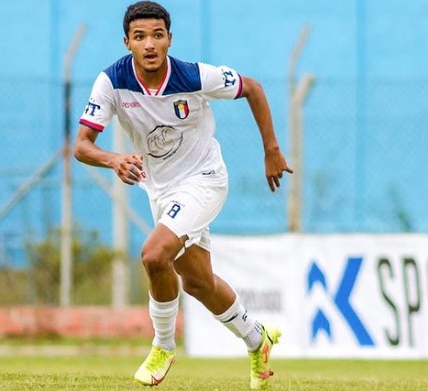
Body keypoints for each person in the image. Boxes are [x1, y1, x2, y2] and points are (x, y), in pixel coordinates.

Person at [74, 1, 292, 389]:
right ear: (127, 42)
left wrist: (271, 149)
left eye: (157, 35)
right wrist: (114, 160)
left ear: (169, 39)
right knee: (197, 283)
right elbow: (82, 145)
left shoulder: (193, 75)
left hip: (205, 179)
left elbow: (253, 88)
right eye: (140, 37)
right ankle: (258, 339)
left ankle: (162, 345)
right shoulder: (111, 82)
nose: (150, 44)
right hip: (161, 189)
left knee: (153, 254)